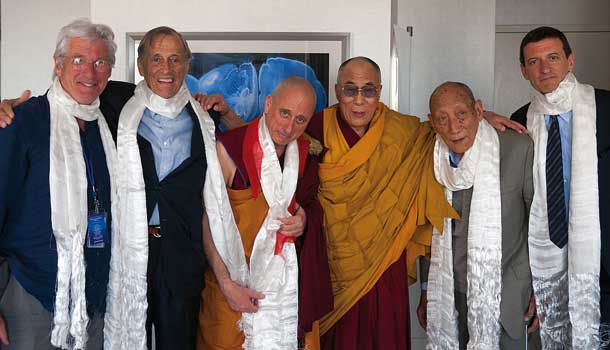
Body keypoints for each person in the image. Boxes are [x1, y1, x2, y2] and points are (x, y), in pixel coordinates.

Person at [0, 19, 118, 349]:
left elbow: (163, 93)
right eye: (78, 60)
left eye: (100, 62)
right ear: (58, 64)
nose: (90, 73)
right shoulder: (20, 121)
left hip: (93, 300)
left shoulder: (108, 124)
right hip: (30, 294)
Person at [198, 76, 332, 349]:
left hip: (284, 290)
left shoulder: (306, 154)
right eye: (285, 113)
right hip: (231, 287)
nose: (288, 127)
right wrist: (226, 284)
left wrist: (304, 219)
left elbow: (309, 205)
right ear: (268, 104)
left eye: (300, 120)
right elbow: (208, 222)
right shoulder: (228, 149)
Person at [417, 81, 540, 349]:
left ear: (479, 110)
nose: (454, 127)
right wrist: (427, 289)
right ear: (432, 123)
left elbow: (538, 225)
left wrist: (540, 290)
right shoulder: (428, 156)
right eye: (442, 119)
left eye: (461, 114)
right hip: (449, 292)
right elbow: (427, 229)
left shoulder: (517, 148)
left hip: (508, 292)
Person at [509, 26, 610, 348]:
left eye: (553, 57)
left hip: (604, 256)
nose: (545, 68)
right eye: (534, 62)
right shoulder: (519, 120)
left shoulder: (606, 108)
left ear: (570, 60)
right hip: (548, 261)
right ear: (524, 71)